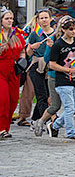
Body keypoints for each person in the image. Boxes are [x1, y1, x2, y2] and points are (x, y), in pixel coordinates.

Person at [48, 15, 75, 140]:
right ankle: (70, 132)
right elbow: (52, 64)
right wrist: (69, 70)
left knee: (74, 108)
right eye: (70, 29)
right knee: (69, 107)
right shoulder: (58, 45)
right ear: (64, 29)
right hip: (63, 80)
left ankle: (55, 125)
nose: (73, 32)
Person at [22, 10, 54, 126]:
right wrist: (32, 47)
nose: (44, 20)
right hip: (36, 66)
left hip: (50, 66)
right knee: (41, 95)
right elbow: (28, 53)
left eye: (46, 17)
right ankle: (45, 121)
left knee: (48, 95)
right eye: (41, 18)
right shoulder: (35, 34)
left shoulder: (55, 33)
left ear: (50, 19)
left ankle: (35, 119)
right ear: (38, 20)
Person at [0, 10, 25, 140]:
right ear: (1, 20)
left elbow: (23, 51)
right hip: (1, 72)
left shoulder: (17, 35)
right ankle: (1, 129)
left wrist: (22, 60)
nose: (10, 21)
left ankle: (6, 128)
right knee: (3, 101)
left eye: (11, 18)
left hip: (14, 72)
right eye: (7, 18)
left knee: (13, 101)